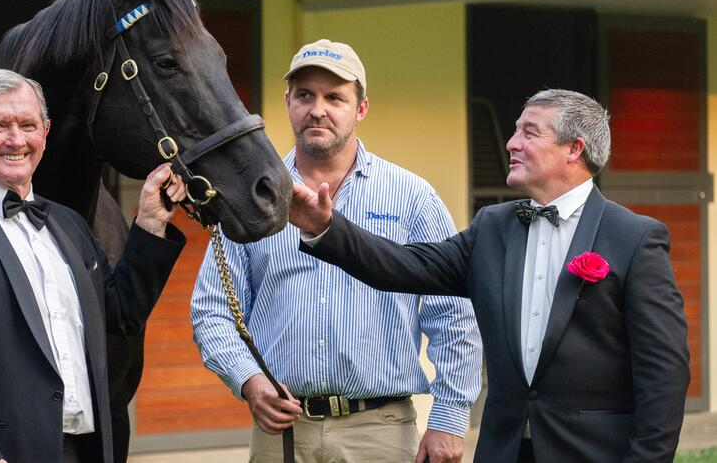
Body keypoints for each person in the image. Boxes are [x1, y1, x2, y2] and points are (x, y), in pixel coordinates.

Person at [291, 88, 690, 463]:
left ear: (574, 149)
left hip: (594, 452)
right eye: (515, 131)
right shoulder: (493, 227)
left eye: (528, 133)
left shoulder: (635, 238)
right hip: (505, 449)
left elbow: (663, 376)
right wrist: (325, 228)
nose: (511, 143)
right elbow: (402, 264)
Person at [192, 39, 482, 463]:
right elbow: (212, 309)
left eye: (335, 97)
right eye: (305, 95)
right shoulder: (252, 198)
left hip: (380, 431)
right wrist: (249, 380)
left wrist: (449, 418)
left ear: (361, 108)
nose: (318, 109)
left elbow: (454, 313)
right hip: (284, 433)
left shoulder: (411, 197)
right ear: (287, 101)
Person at [0, 69, 187, 463]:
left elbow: (120, 315)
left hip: (84, 450)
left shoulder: (69, 223)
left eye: (27, 125)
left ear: (45, 133)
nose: (16, 139)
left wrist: (149, 222)